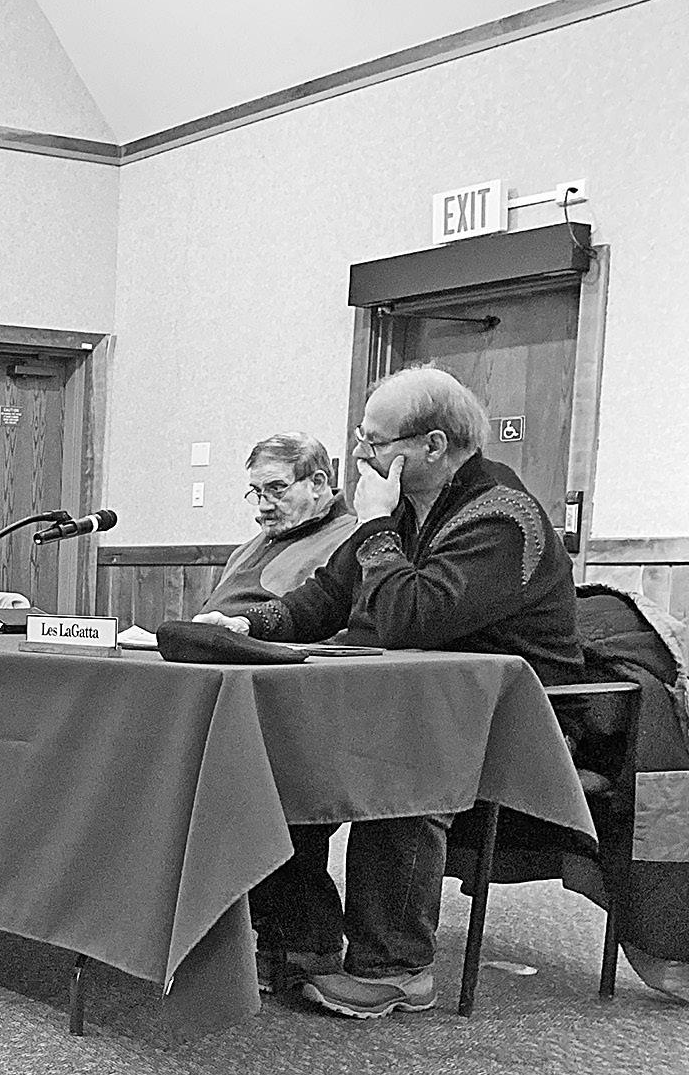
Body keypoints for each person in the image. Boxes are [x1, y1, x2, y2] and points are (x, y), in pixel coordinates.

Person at [194, 365, 582, 1019]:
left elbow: (412, 618)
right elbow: (324, 598)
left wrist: (374, 524)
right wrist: (247, 624)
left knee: (402, 765)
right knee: (278, 751)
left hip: (518, 719)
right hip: (418, 702)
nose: (361, 456)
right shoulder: (405, 506)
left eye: (374, 441)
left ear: (433, 445)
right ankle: (302, 942)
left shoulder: (503, 516)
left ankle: (397, 968)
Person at [200, 433, 356, 613]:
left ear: (317, 483)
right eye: (258, 491)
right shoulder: (245, 550)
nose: (263, 506)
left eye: (276, 489)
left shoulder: (351, 538)